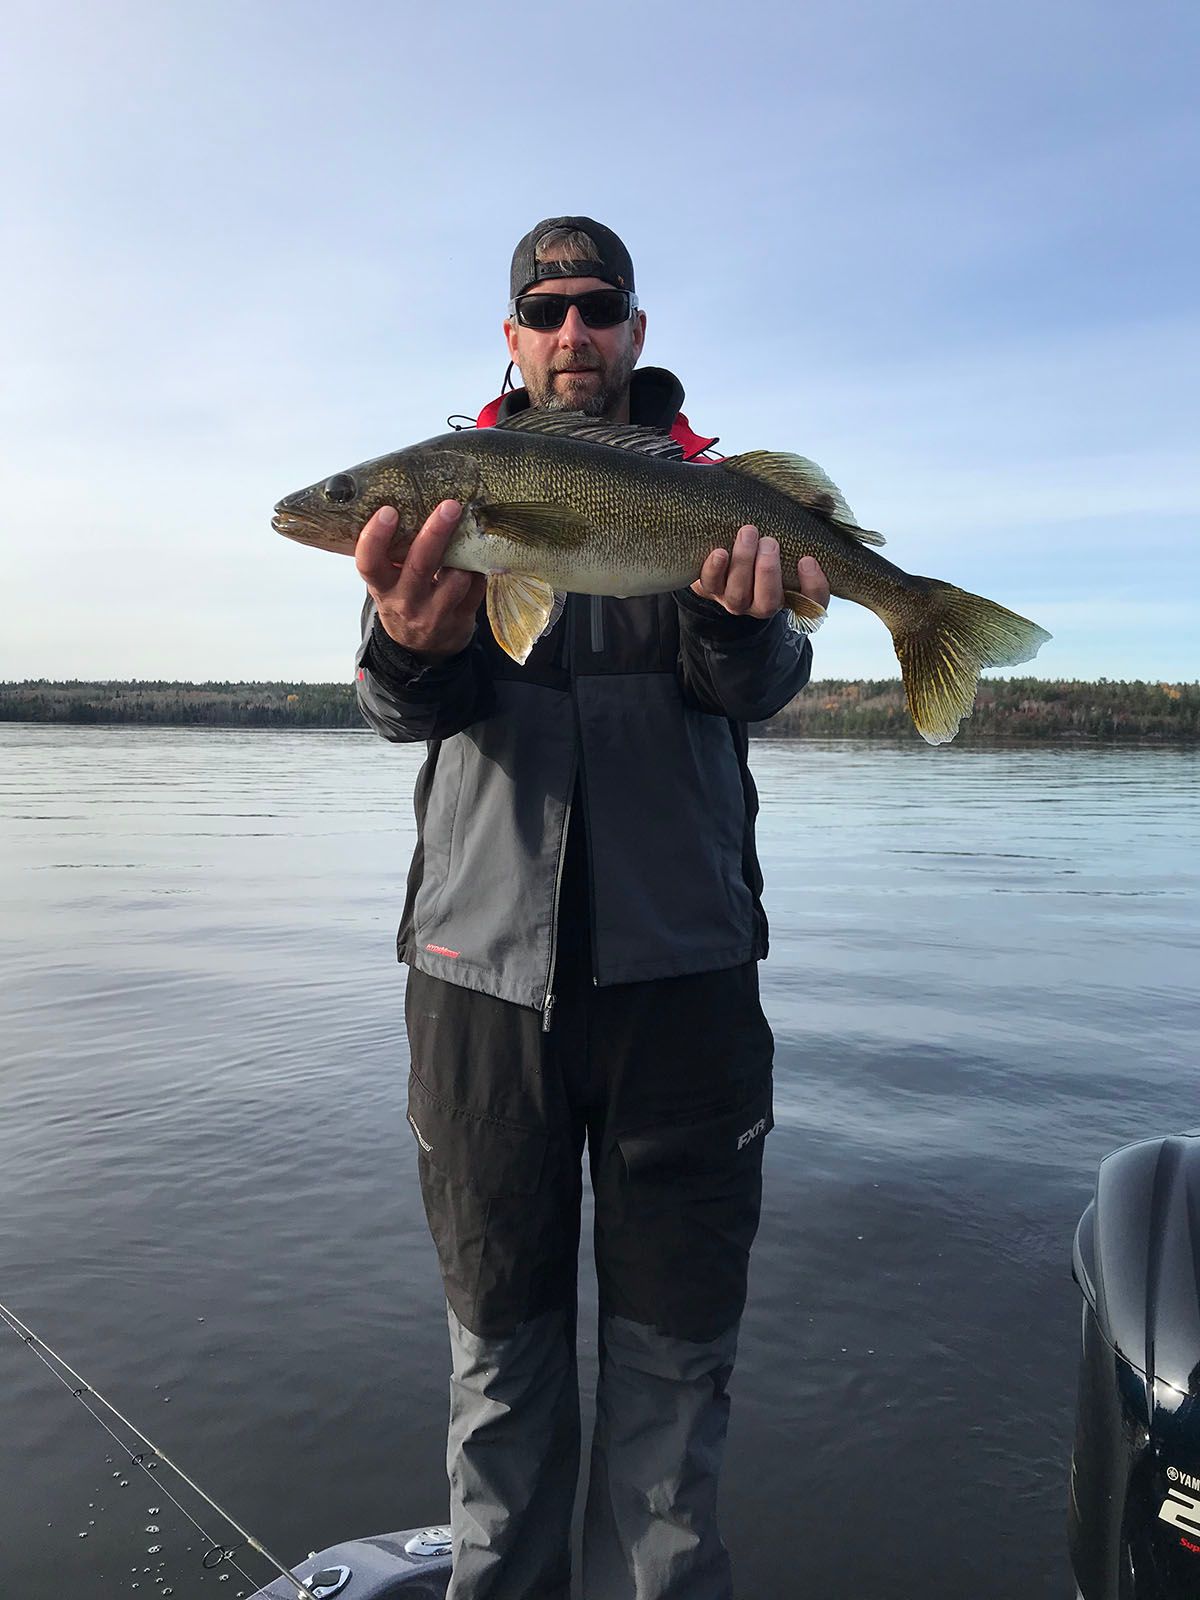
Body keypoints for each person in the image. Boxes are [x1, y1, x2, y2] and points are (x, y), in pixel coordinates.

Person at [352, 216, 829, 1600]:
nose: (574, 334)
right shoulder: (450, 505)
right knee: (500, 1362)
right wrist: (404, 637)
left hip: (681, 989)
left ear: (634, 331)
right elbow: (397, 709)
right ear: (510, 338)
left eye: (599, 308)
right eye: (545, 311)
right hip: (478, 985)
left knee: (675, 1377)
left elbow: (761, 690)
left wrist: (743, 626)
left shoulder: (712, 494)